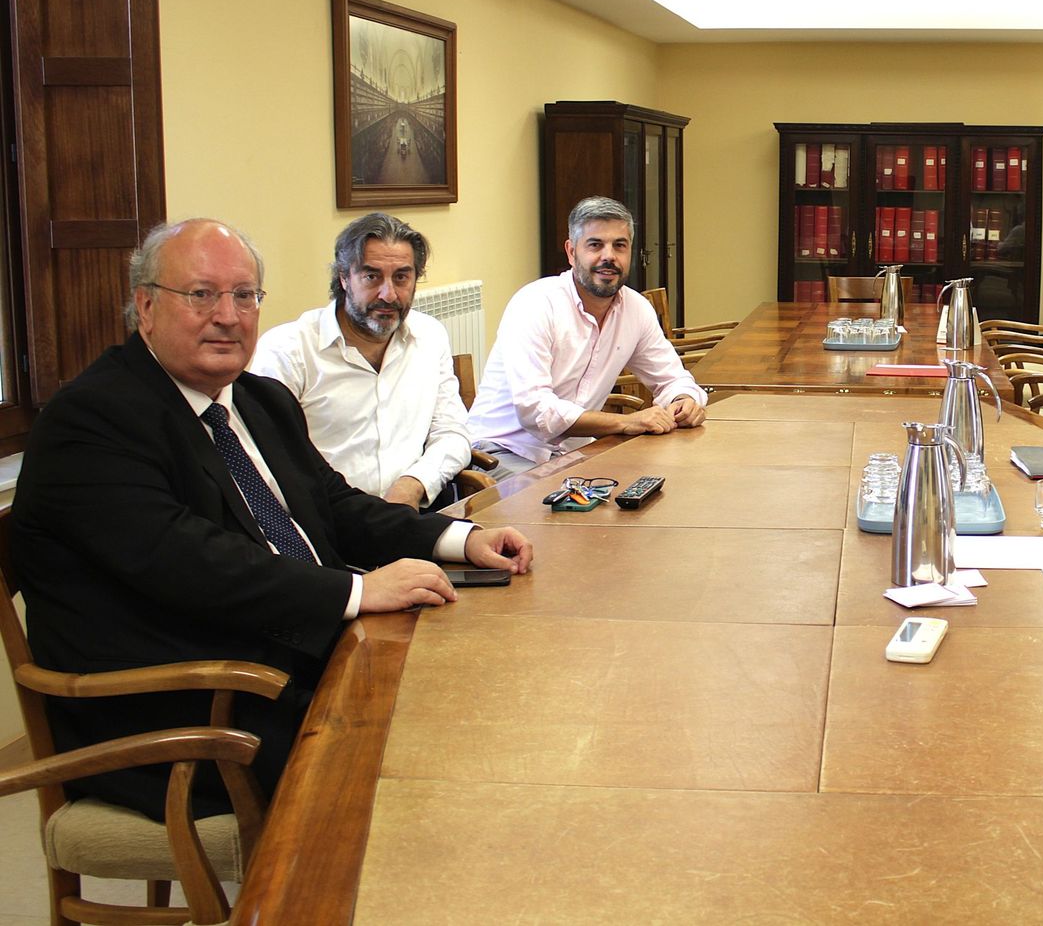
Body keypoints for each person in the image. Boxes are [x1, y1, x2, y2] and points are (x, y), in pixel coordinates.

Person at [11, 218, 533, 821]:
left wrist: (459, 539)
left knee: (477, 681)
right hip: (179, 707)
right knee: (409, 764)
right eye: (202, 294)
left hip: (278, 656)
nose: (228, 316)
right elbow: (188, 561)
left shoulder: (257, 400)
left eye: (244, 296)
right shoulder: (93, 419)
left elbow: (334, 505)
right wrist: (358, 589)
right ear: (145, 307)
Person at [467, 196, 707, 477]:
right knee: (570, 511)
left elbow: (672, 378)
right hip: (500, 454)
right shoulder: (535, 304)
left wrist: (684, 400)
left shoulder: (635, 309)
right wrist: (626, 422)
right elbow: (536, 410)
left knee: (653, 495)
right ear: (571, 252)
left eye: (620, 245)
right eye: (595, 245)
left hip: (573, 455)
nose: (609, 256)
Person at [251, 213, 471, 510]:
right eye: (372, 276)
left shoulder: (429, 336)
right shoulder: (288, 351)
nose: (388, 294)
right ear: (343, 277)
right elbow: (273, 466)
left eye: (402, 277)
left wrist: (414, 483)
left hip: (413, 514)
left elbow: (452, 433)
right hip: (331, 528)